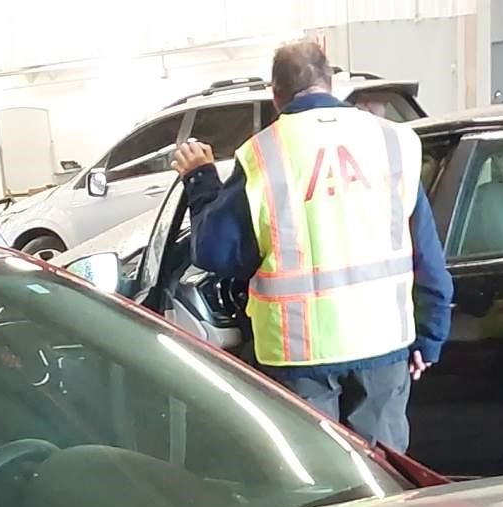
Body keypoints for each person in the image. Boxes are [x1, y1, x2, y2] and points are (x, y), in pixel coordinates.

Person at [171, 39, 452, 450]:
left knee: (324, 484)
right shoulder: (393, 142)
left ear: (275, 95)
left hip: (299, 357)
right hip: (384, 345)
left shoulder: (263, 154)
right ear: (331, 82)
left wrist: (200, 181)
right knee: (386, 480)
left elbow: (215, 251)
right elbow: (426, 253)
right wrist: (430, 336)